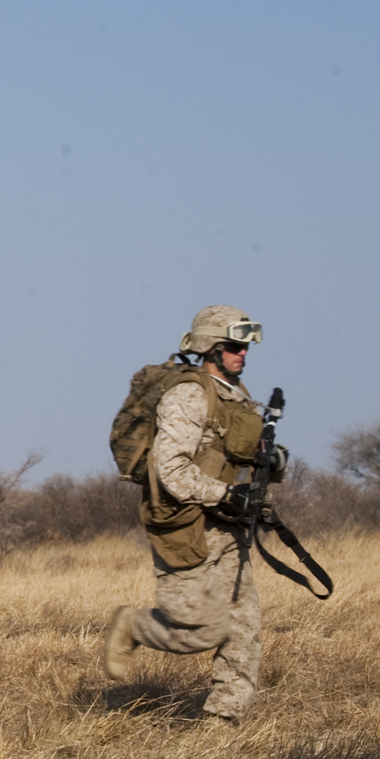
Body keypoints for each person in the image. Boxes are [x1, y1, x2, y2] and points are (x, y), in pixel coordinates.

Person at [102, 305, 280, 725]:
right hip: (186, 525)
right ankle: (133, 626)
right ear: (211, 348)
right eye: (235, 346)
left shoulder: (235, 395)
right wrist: (226, 493)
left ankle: (223, 722)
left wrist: (271, 465)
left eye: (245, 346)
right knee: (200, 629)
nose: (243, 353)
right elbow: (172, 469)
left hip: (228, 526)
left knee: (242, 626)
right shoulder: (189, 394)